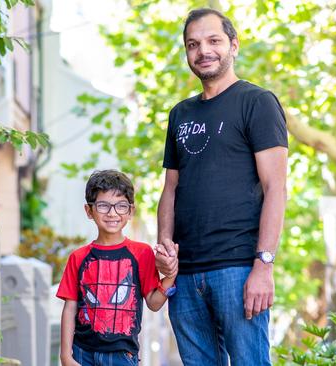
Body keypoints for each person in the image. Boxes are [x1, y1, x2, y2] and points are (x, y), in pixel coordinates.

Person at [155, 7, 288, 366]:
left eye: (214, 41)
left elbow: (276, 187)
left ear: (234, 45)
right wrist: (165, 252)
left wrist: (264, 266)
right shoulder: (180, 114)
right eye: (193, 44)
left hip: (238, 269)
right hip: (185, 277)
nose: (203, 51)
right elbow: (170, 189)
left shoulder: (257, 102)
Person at [57, 170, 178, 366]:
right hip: (82, 353)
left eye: (121, 206)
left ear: (130, 211)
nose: (112, 213)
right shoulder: (78, 257)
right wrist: (65, 356)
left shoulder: (142, 253)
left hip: (123, 356)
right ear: (89, 211)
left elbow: (154, 303)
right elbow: (70, 308)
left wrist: (171, 276)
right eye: (103, 206)